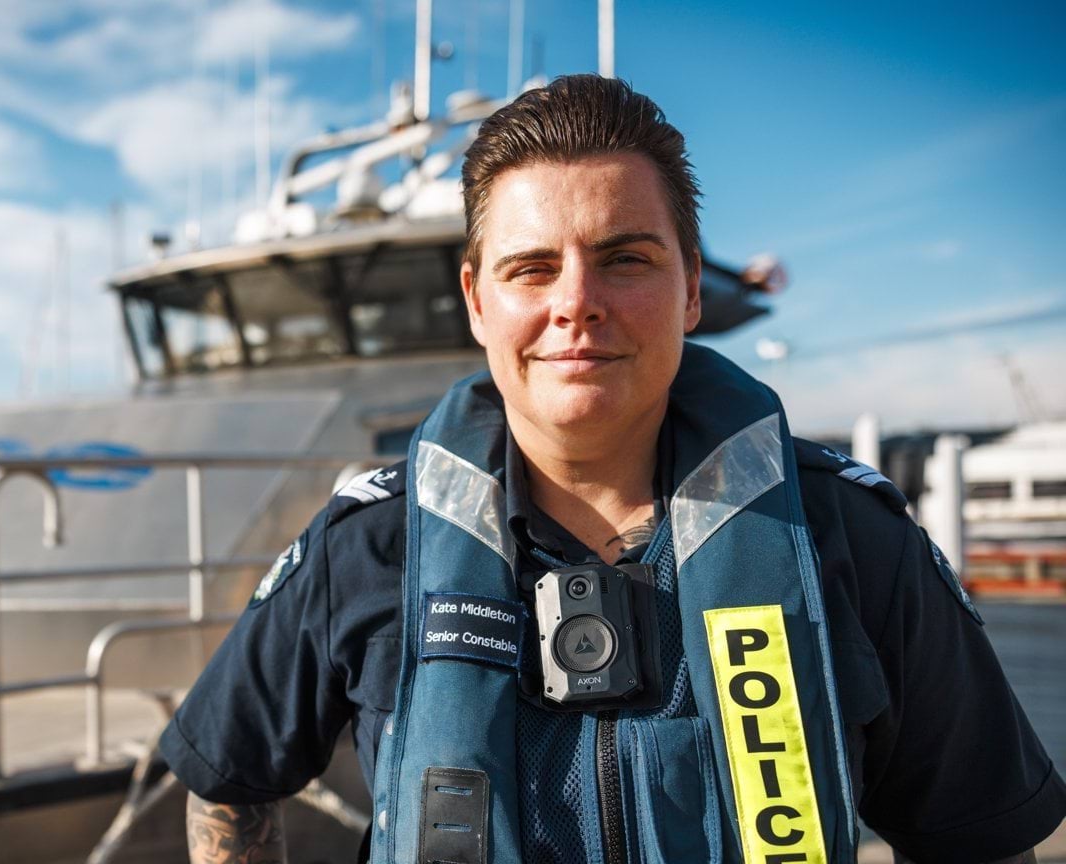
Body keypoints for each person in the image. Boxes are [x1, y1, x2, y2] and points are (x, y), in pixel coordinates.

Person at [161, 75, 1065, 864]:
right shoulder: (368, 548)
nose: (576, 304)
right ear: (479, 301)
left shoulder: (851, 544)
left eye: (625, 259)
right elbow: (228, 776)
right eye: (532, 267)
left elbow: (977, 839)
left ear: (692, 291)